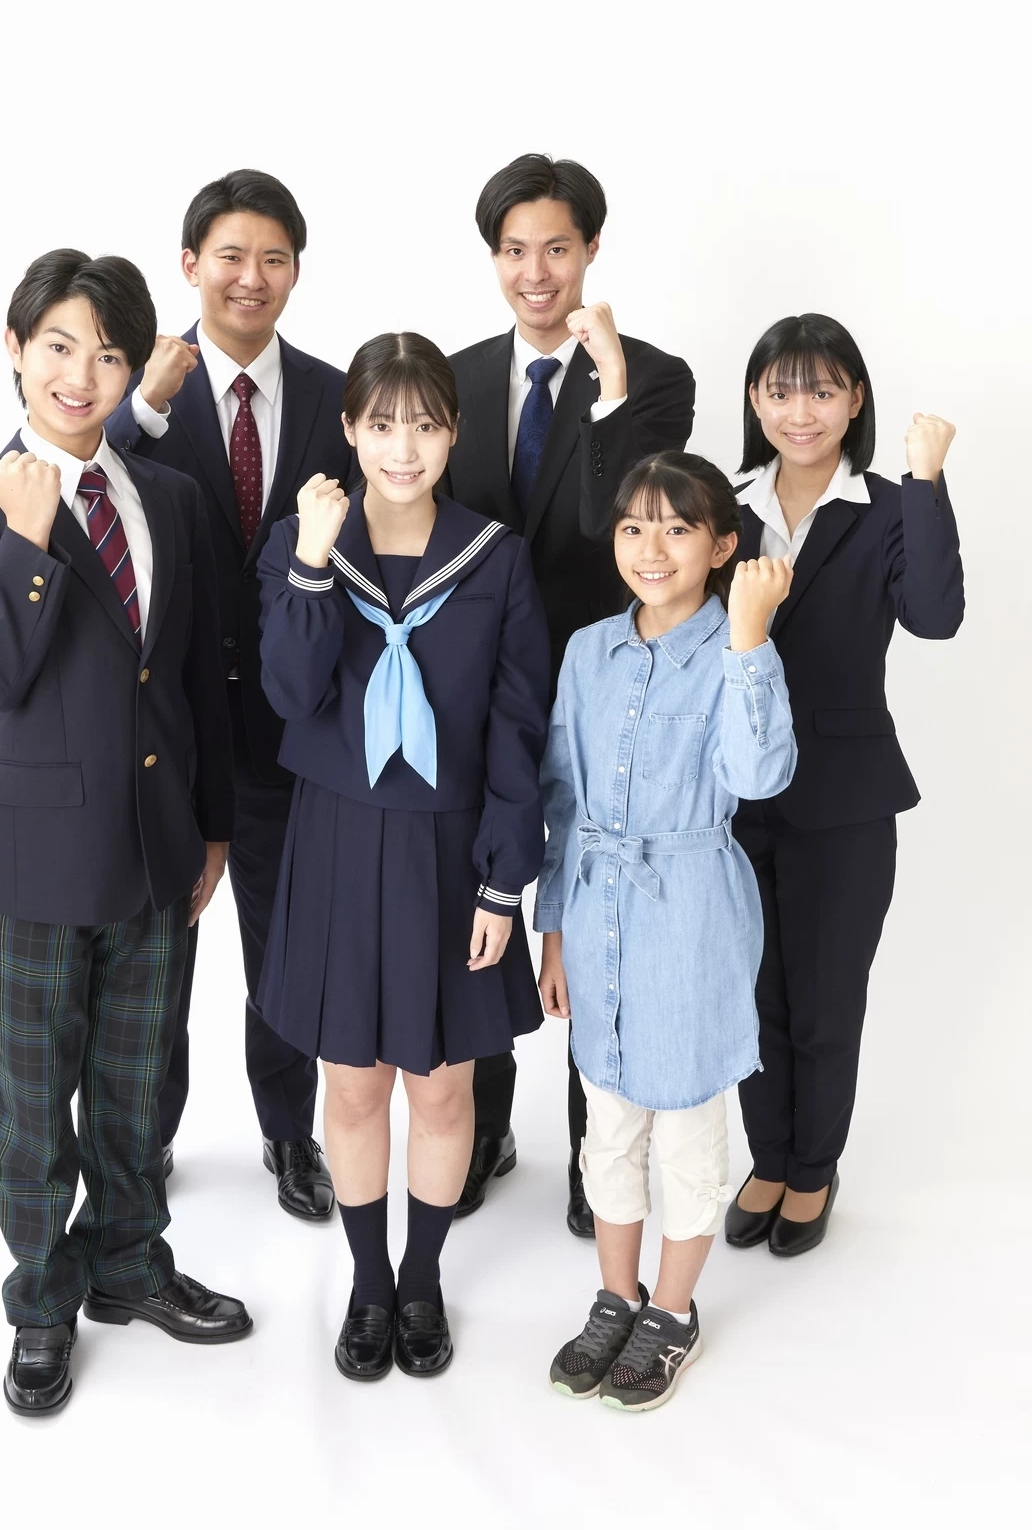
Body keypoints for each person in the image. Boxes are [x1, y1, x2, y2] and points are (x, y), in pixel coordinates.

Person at [0, 250, 252, 1416]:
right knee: (33, 1098)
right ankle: (41, 1301)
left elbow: (199, 677)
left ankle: (130, 1264)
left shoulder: (173, 499)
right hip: (35, 863)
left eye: (109, 353)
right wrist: (26, 541)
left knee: (135, 1084)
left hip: (161, 850)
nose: (82, 373)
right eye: (59, 345)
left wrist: (214, 827)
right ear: (15, 349)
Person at [254, 332, 550, 1380]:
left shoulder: (495, 557)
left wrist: (502, 883)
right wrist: (308, 560)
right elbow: (289, 693)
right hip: (337, 842)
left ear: (453, 432)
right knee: (352, 1088)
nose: (403, 447)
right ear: (349, 429)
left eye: (425, 424)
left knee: (442, 1090)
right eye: (381, 424)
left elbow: (520, 730)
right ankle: (369, 1282)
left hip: (450, 851)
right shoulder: (304, 545)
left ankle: (421, 1279)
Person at [445, 152, 696, 1234]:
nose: (535, 272)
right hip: (478, 689)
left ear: (592, 248)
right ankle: (484, 1128)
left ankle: (603, 1157)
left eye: (556, 247)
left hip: (609, 688)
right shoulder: (452, 379)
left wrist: (611, 383)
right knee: (484, 898)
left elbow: (611, 518)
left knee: (601, 913)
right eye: (514, 250)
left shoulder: (656, 378)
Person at [107, 170, 351, 1219]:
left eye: (274, 258)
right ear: (190, 264)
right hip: (168, 727)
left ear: (296, 271)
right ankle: (147, 1136)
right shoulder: (132, 398)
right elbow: (84, 490)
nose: (252, 277)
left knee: (285, 943)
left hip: (291, 728)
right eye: (231, 256)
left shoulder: (339, 396)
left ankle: (289, 1132)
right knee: (159, 952)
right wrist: (145, 405)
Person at [537, 452, 797, 1411]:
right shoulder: (588, 651)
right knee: (607, 1127)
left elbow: (760, 777)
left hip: (689, 913)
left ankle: (673, 1313)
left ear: (722, 546)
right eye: (634, 526)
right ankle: (616, 1297)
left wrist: (750, 636)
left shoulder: (738, 647)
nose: (652, 547)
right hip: (594, 911)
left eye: (679, 528)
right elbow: (561, 796)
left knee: (686, 1131)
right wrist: (553, 928)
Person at [723, 313, 964, 1256]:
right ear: (755, 400)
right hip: (734, 796)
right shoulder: (726, 503)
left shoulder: (890, 507)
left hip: (846, 797)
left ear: (854, 399)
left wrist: (928, 480)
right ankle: (768, 1157)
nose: (801, 412)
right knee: (753, 996)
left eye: (822, 391)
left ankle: (814, 1166)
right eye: (780, 391)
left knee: (825, 1000)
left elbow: (934, 616)